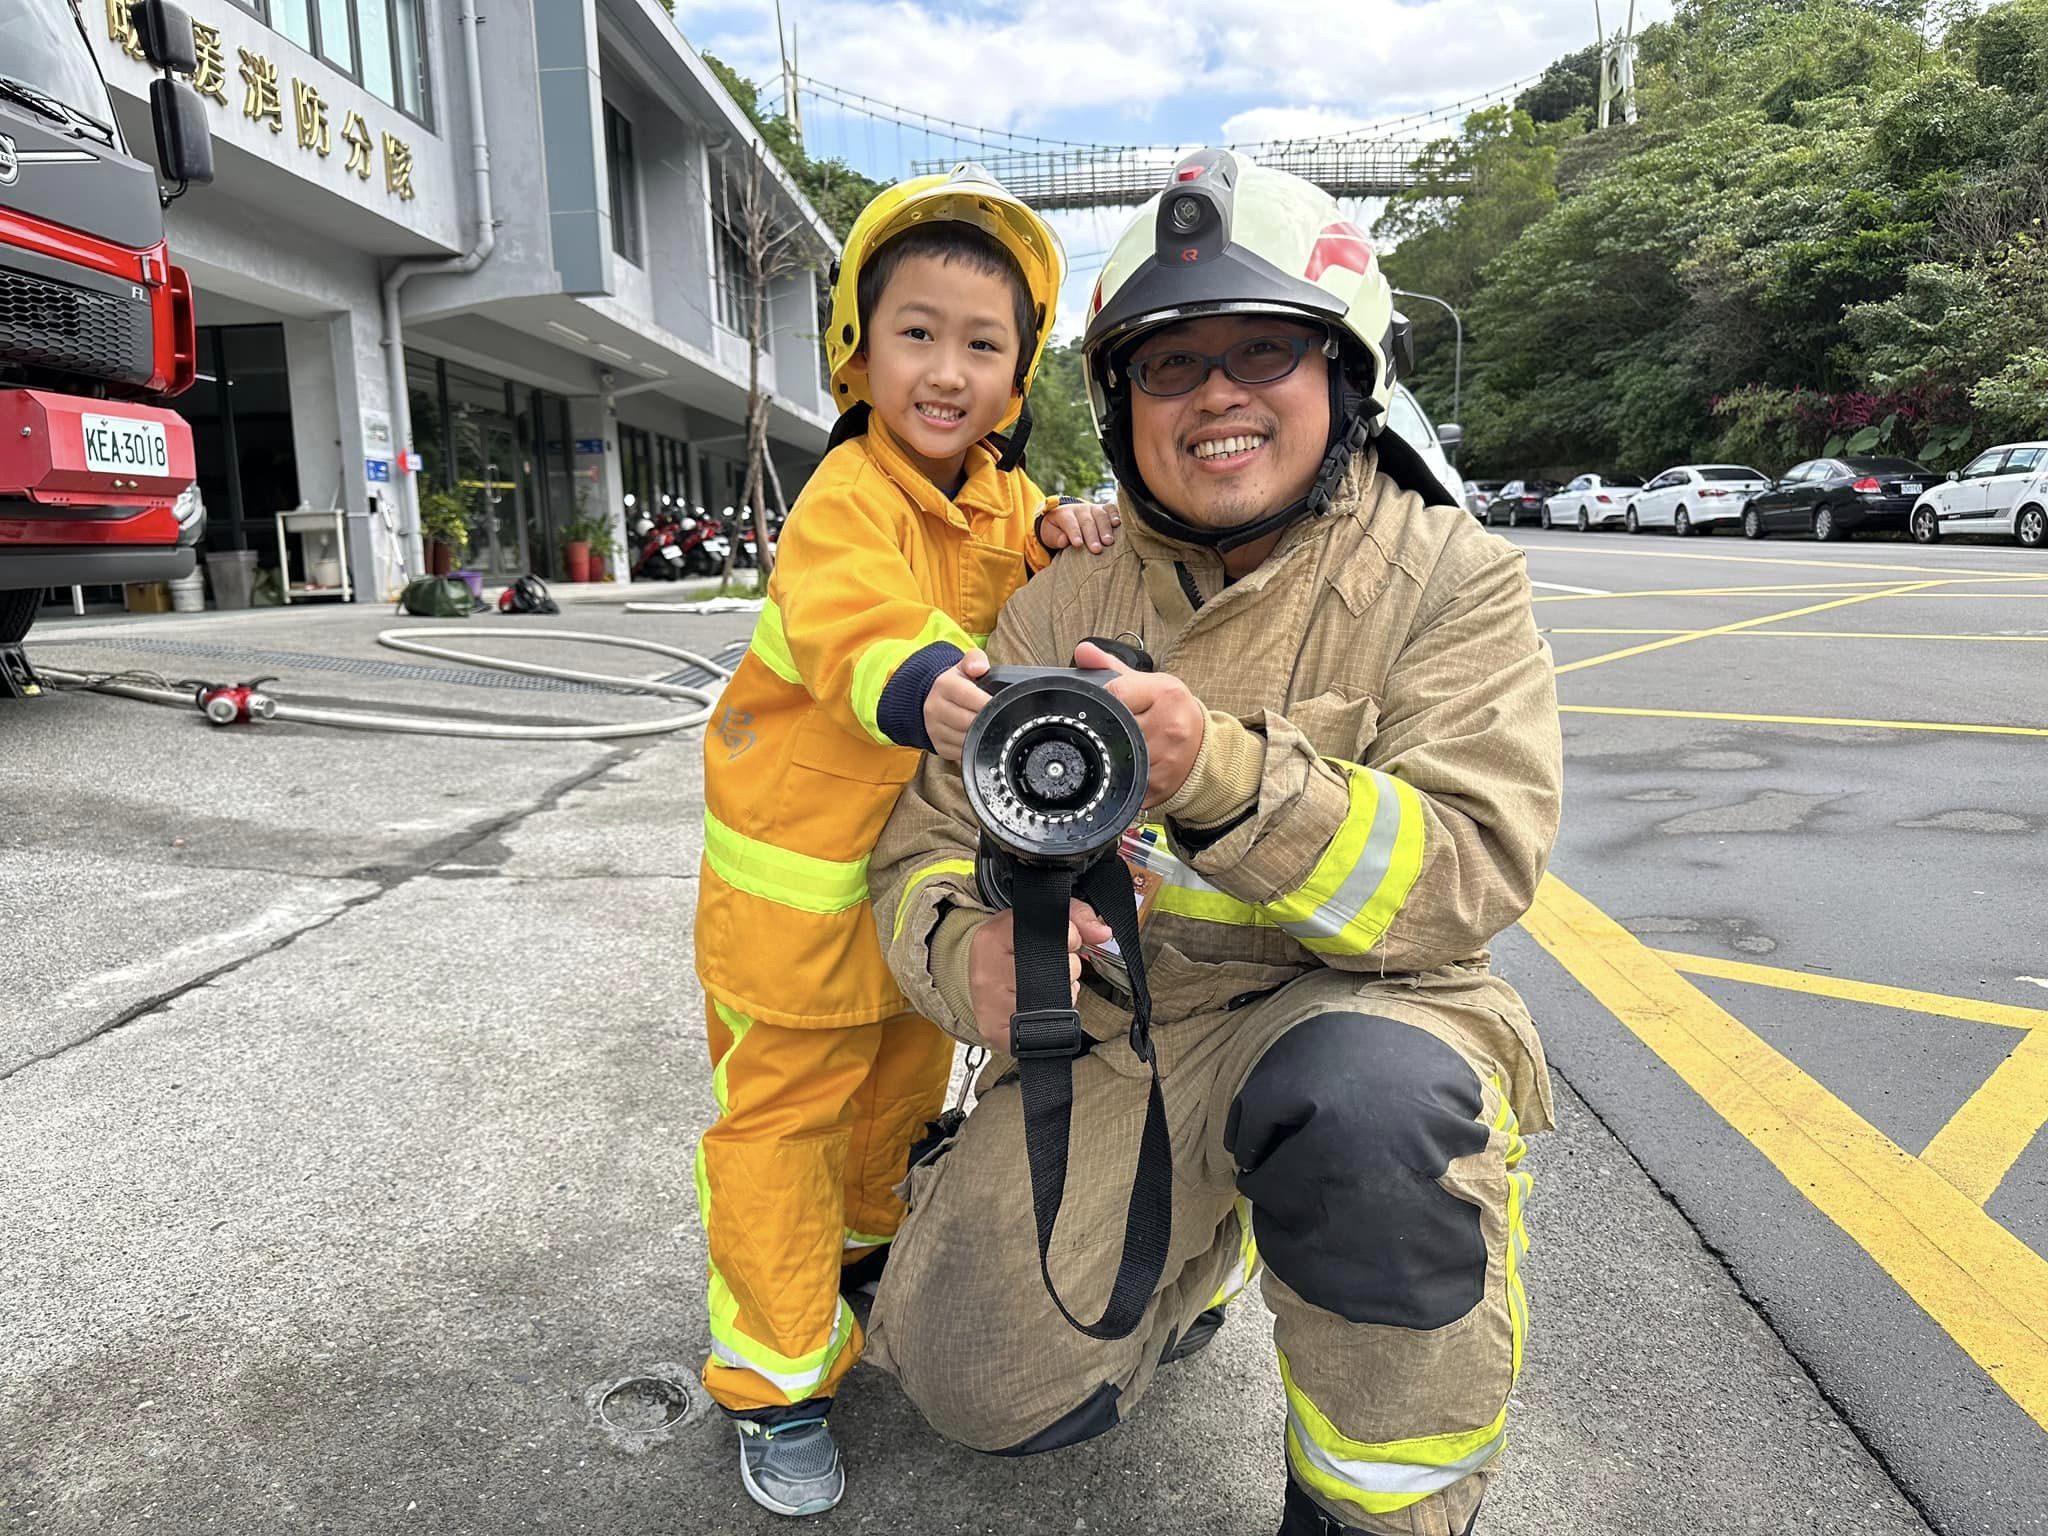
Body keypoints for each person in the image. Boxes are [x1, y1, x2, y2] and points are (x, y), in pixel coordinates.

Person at [866, 151, 1563, 1536]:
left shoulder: (1449, 577)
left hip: (1357, 1008)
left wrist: (1221, 773)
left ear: (1344, 379)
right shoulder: (1054, 597)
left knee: (1370, 1120)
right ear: (1122, 407)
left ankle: (1372, 1511)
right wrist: (973, 956)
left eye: (1266, 353)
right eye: (1173, 368)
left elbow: (1475, 864)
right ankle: (1206, 1239)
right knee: (979, 1387)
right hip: (1126, 1029)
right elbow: (919, 854)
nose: (1220, 396)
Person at [690, 163, 1118, 1518]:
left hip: (905, 904)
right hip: (796, 910)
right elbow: (851, 621)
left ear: (1017, 375)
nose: (947, 369)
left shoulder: (998, 494)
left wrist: (1064, 531)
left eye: (983, 345)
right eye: (916, 333)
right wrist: (916, 679)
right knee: (783, 1132)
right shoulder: (845, 497)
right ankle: (775, 1376)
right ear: (855, 354)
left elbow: (1012, 562)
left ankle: (860, 1261)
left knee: (893, 1108)